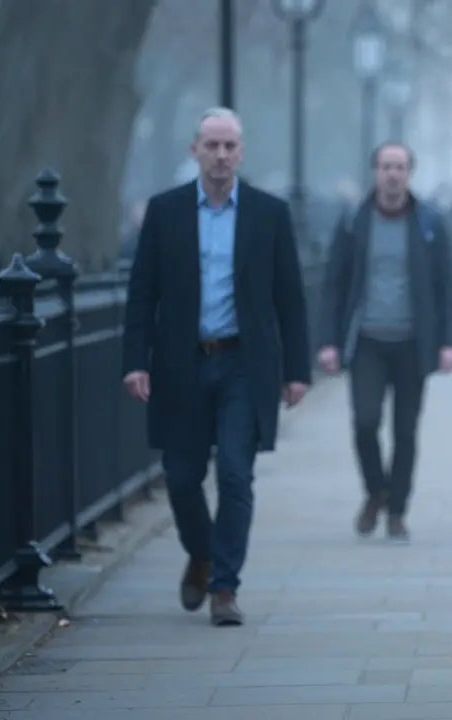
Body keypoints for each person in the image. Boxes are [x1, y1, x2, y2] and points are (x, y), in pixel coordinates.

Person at [122, 107, 311, 627]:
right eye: (212, 145)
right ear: (195, 151)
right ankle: (202, 554)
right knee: (181, 478)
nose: (221, 155)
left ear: (241, 152)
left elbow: (289, 296)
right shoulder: (166, 212)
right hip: (181, 364)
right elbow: (142, 293)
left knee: (234, 472)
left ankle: (225, 586)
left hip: (243, 366)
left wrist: (297, 370)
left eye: (230, 146)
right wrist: (135, 360)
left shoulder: (268, 214)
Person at [317, 142, 452, 543]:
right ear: (375, 172)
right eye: (386, 167)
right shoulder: (353, 221)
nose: (393, 174)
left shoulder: (429, 222)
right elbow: (333, 283)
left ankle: (397, 510)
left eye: (399, 167)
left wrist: (449, 342)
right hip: (366, 341)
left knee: (405, 432)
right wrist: (327, 340)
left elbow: (447, 284)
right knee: (364, 423)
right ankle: (376, 490)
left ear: (409, 172)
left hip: (413, 343)